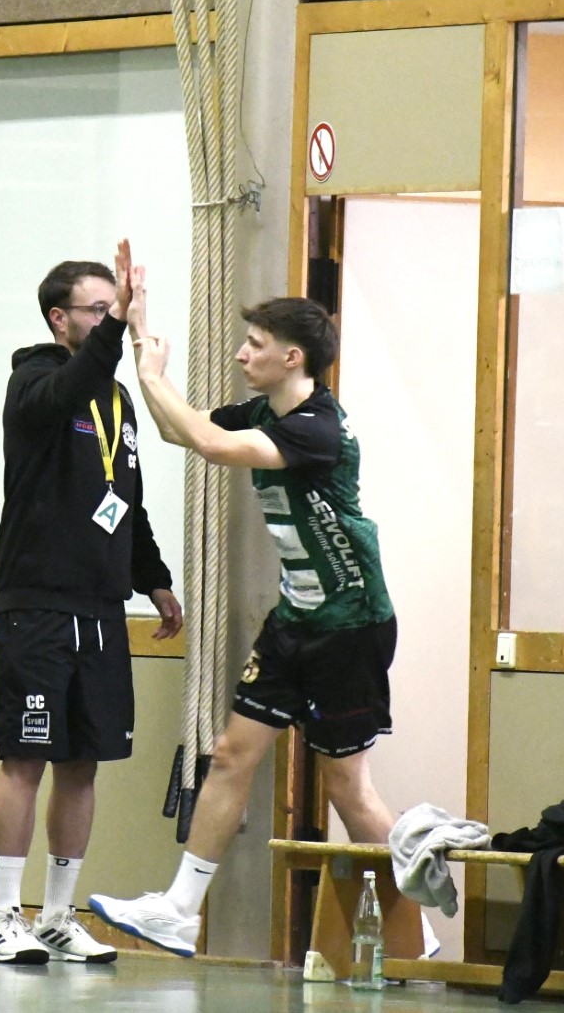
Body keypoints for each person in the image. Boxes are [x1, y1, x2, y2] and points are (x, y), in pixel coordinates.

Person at [89, 284, 398, 959]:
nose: (239, 354)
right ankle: (179, 912)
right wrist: (140, 340)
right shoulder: (263, 411)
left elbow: (211, 444)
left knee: (348, 789)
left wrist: (153, 373)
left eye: (254, 345)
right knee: (231, 755)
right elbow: (181, 430)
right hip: (295, 620)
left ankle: (412, 937)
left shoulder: (316, 428)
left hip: (350, 624)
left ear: (293, 358)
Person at [0, 250, 181, 965]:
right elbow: (70, 386)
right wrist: (120, 323)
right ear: (59, 319)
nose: (109, 321)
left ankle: (57, 916)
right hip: (38, 604)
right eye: (98, 310)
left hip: (100, 610)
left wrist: (153, 578)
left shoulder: (117, 401)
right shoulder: (34, 382)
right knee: (25, 757)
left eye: (113, 308)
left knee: (83, 763)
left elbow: (126, 500)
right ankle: (3, 917)